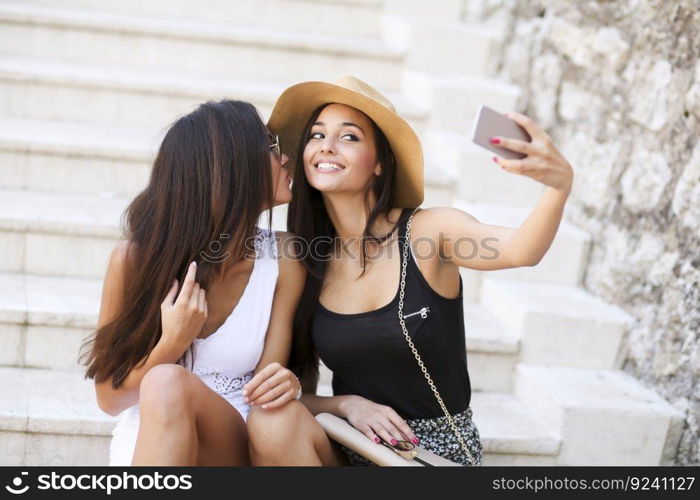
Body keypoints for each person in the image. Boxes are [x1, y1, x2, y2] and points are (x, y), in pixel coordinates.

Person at [264, 75, 575, 465]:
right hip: (350, 441)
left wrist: (558, 188)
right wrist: (347, 404)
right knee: (274, 421)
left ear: (379, 163)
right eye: (316, 135)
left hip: (430, 453)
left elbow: (520, 250)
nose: (326, 146)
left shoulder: (430, 232)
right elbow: (289, 391)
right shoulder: (304, 260)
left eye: (349, 137)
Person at [80, 99, 339, 466]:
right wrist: (173, 341)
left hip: (235, 435)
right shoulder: (134, 260)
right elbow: (109, 399)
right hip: (152, 438)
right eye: (271, 148)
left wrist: (289, 384)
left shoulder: (285, 258)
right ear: (232, 168)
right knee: (166, 381)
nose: (285, 159)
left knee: (172, 382)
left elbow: (264, 389)